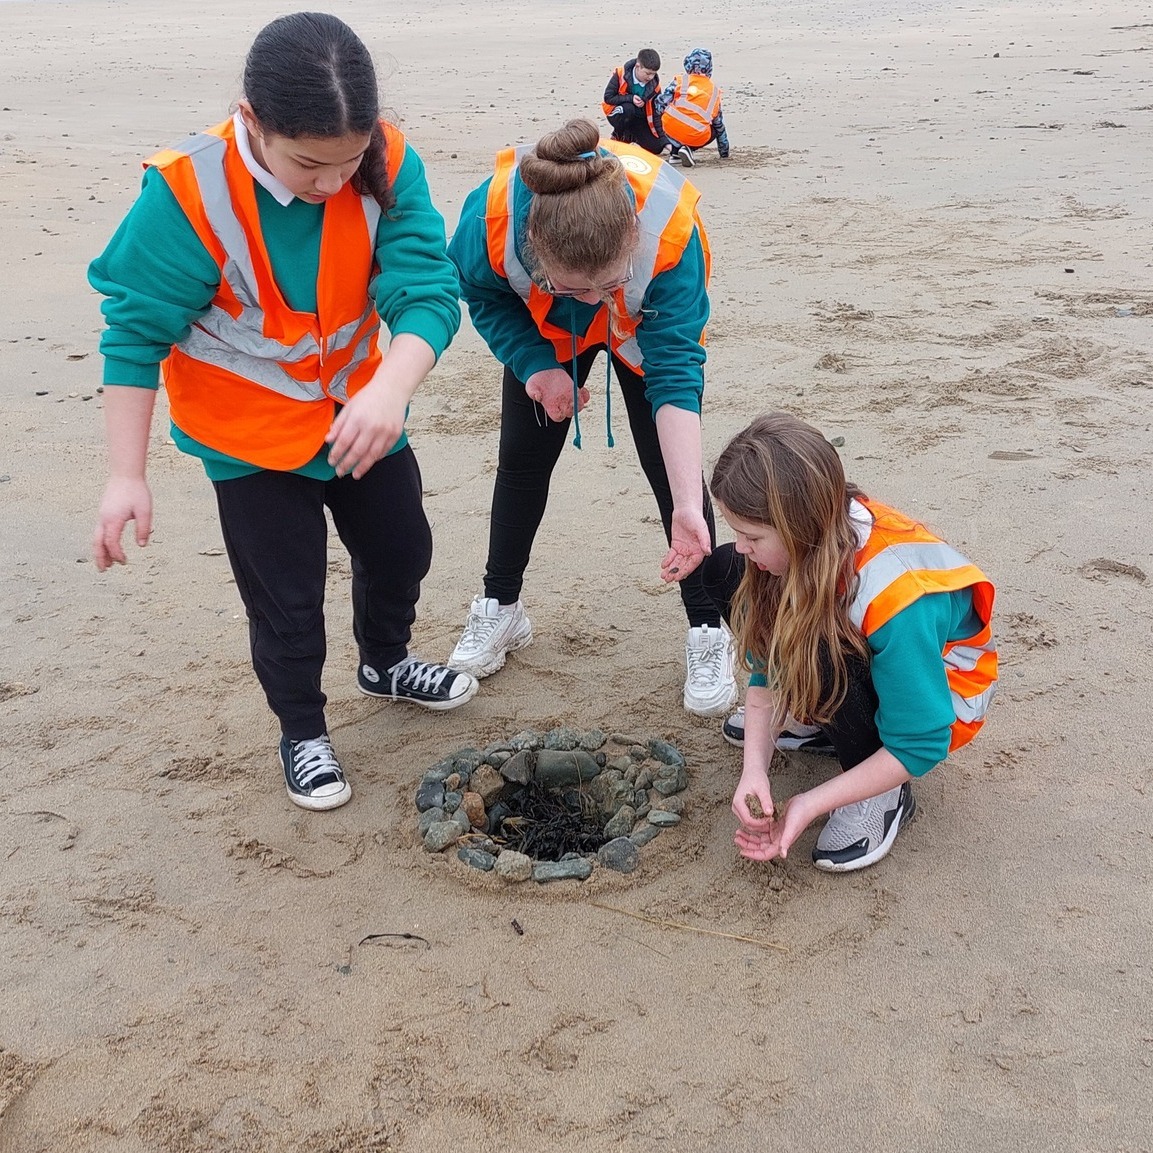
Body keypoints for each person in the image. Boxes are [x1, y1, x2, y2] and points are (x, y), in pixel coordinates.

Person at [88, 12, 478, 813]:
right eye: (309, 164)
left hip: (361, 409)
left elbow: (427, 289)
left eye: (350, 161)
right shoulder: (187, 191)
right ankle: (302, 728)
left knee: (403, 546)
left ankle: (386, 662)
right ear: (252, 121)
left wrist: (389, 386)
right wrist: (125, 474)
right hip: (247, 436)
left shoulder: (388, 160)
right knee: (287, 598)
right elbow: (133, 334)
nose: (334, 184)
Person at [445, 118, 738, 718]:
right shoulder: (491, 220)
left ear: (632, 238)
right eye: (570, 285)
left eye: (605, 283)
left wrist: (690, 501)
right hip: (548, 336)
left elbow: (676, 374)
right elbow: (483, 293)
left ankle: (709, 628)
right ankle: (501, 608)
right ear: (535, 249)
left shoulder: (671, 234)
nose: (591, 299)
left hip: (642, 331)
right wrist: (534, 364)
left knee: (671, 478)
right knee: (521, 463)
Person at [701, 413, 997, 871]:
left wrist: (809, 802)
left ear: (799, 528)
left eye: (752, 535)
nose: (741, 544)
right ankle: (811, 715)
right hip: (858, 645)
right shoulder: (806, 546)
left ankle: (881, 792)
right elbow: (767, 665)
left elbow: (921, 743)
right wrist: (753, 769)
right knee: (724, 570)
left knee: (819, 648)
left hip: (939, 697)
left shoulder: (897, 597)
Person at [601, 49, 681, 159]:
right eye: (647, 73)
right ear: (638, 66)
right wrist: (630, 98)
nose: (650, 77)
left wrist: (665, 142)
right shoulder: (621, 74)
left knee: (656, 147)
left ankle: (631, 137)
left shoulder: (655, 86)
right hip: (618, 113)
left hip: (640, 119)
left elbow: (656, 114)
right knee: (628, 109)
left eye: (653, 74)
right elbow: (608, 97)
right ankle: (618, 135)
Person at [657, 48, 731, 167]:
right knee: (714, 128)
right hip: (696, 136)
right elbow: (719, 127)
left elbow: (660, 103)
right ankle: (689, 149)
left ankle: (675, 152)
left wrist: (659, 129)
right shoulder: (715, 92)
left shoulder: (680, 80)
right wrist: (724, 152)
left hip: (670, 129)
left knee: (670, 116)